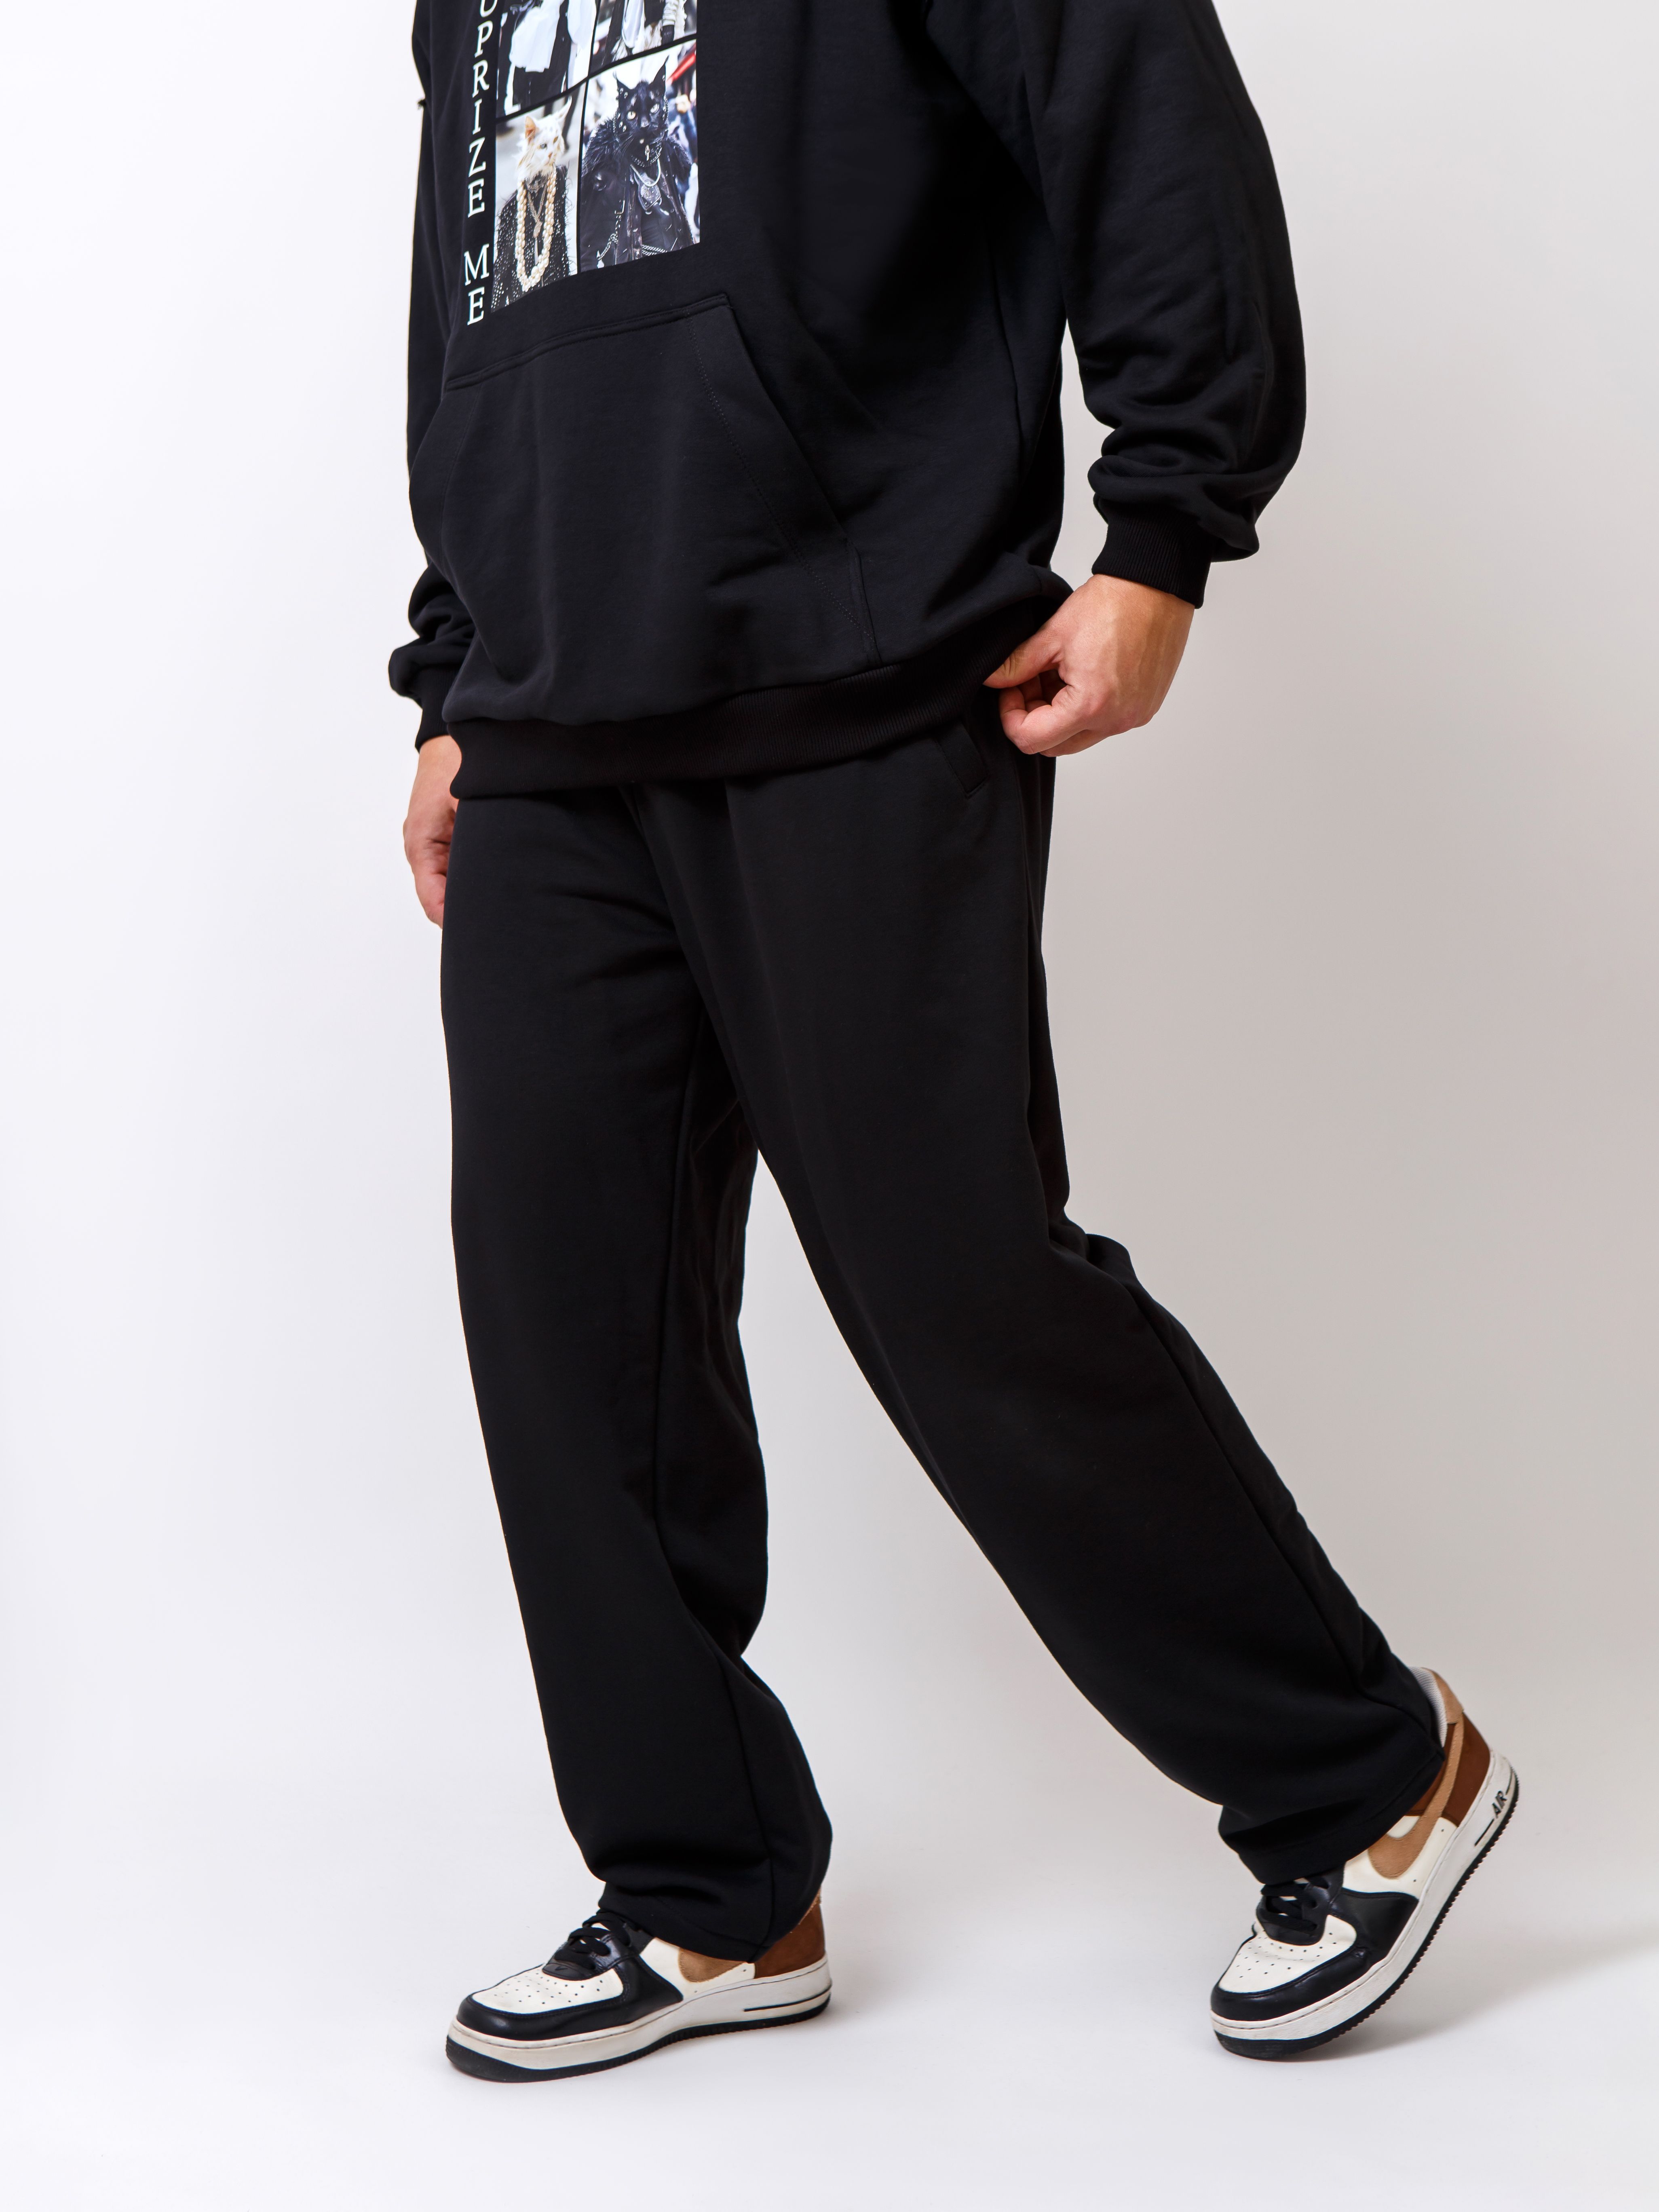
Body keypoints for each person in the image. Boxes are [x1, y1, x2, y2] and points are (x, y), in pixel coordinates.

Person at [393, 0, 1515, 2080]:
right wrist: (458, 668)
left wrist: (1166, 523)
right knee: (565, 1326)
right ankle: (708, 1890)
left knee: (955, 1277)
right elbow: (481, 293)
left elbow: (1139, 108)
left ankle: (1370, 1776)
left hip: (863, 667)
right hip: (550, 729)